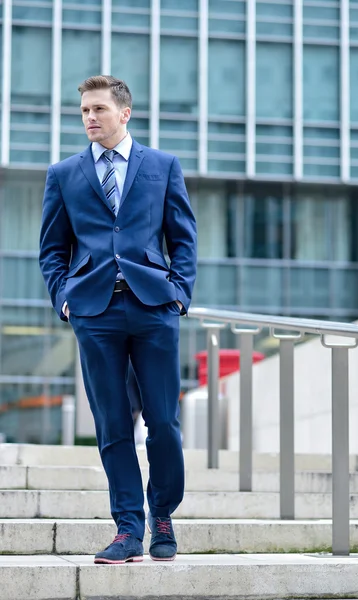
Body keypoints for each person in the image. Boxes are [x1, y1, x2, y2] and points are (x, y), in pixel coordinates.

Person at [39, 75, 197, 564]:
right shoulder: (64, 174)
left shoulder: (163, 166)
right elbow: (51, 249)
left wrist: (179, 295)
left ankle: (163, 515)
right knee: (111, 424)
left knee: (164, 423)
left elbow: (183, 238)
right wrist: (64, 298)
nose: (90, 117)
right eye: (84, 110)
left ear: (124, 113)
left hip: (152, 308)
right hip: (94, 311)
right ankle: (128, 529)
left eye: (99, 109)